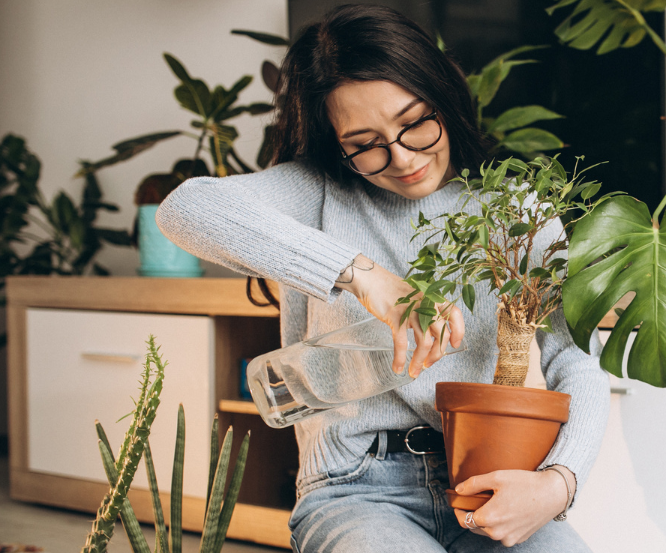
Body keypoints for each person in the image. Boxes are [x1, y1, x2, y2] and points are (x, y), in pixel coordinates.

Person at [156, 5, 609, 552]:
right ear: (337, 143)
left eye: (414, 122)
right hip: (355, 486)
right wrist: (363, 275)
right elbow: (185, 210)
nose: (401, 157)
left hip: (497, 476)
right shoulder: (318, 192)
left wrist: (557, 484)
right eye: (365, 144)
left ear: (442, 96)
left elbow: (574, 361)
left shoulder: (519, 210)